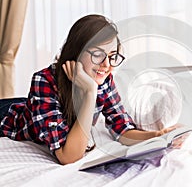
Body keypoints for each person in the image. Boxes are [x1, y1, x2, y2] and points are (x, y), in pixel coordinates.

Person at [0, 14, 176, 164]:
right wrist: (90, 93)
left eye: (112, 56)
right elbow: (68, 156)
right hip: (8, 115)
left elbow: (123, 130)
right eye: (98, 54)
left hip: (33, 106)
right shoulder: (44, 80)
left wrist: (159, 135)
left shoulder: (103, 79)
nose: (106, 65)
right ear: (76, 51)